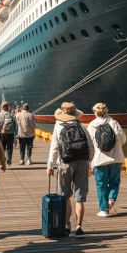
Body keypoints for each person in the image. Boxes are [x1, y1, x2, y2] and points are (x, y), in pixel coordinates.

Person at [47, 102, 94, 237]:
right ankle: (79, 227)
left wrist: (50, 165)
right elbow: (90, 146)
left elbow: (54, 148)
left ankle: (67, 225)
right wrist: (88, 162)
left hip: (65, 163)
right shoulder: (81, 126)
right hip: (83, 162)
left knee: (66, 196)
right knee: (79, 198)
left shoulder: (58, 126)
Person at [87, 103, 126, 217]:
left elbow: (89, 145)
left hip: (99, 160)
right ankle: (111, 199)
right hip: (116, 159)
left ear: (95, 112)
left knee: (101, 185)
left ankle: (103, 210)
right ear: (107, 111)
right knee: (114, 182)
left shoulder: (92, 126)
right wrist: (116, 149)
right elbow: (123, 139)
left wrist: (90, 162)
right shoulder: (114, 123)